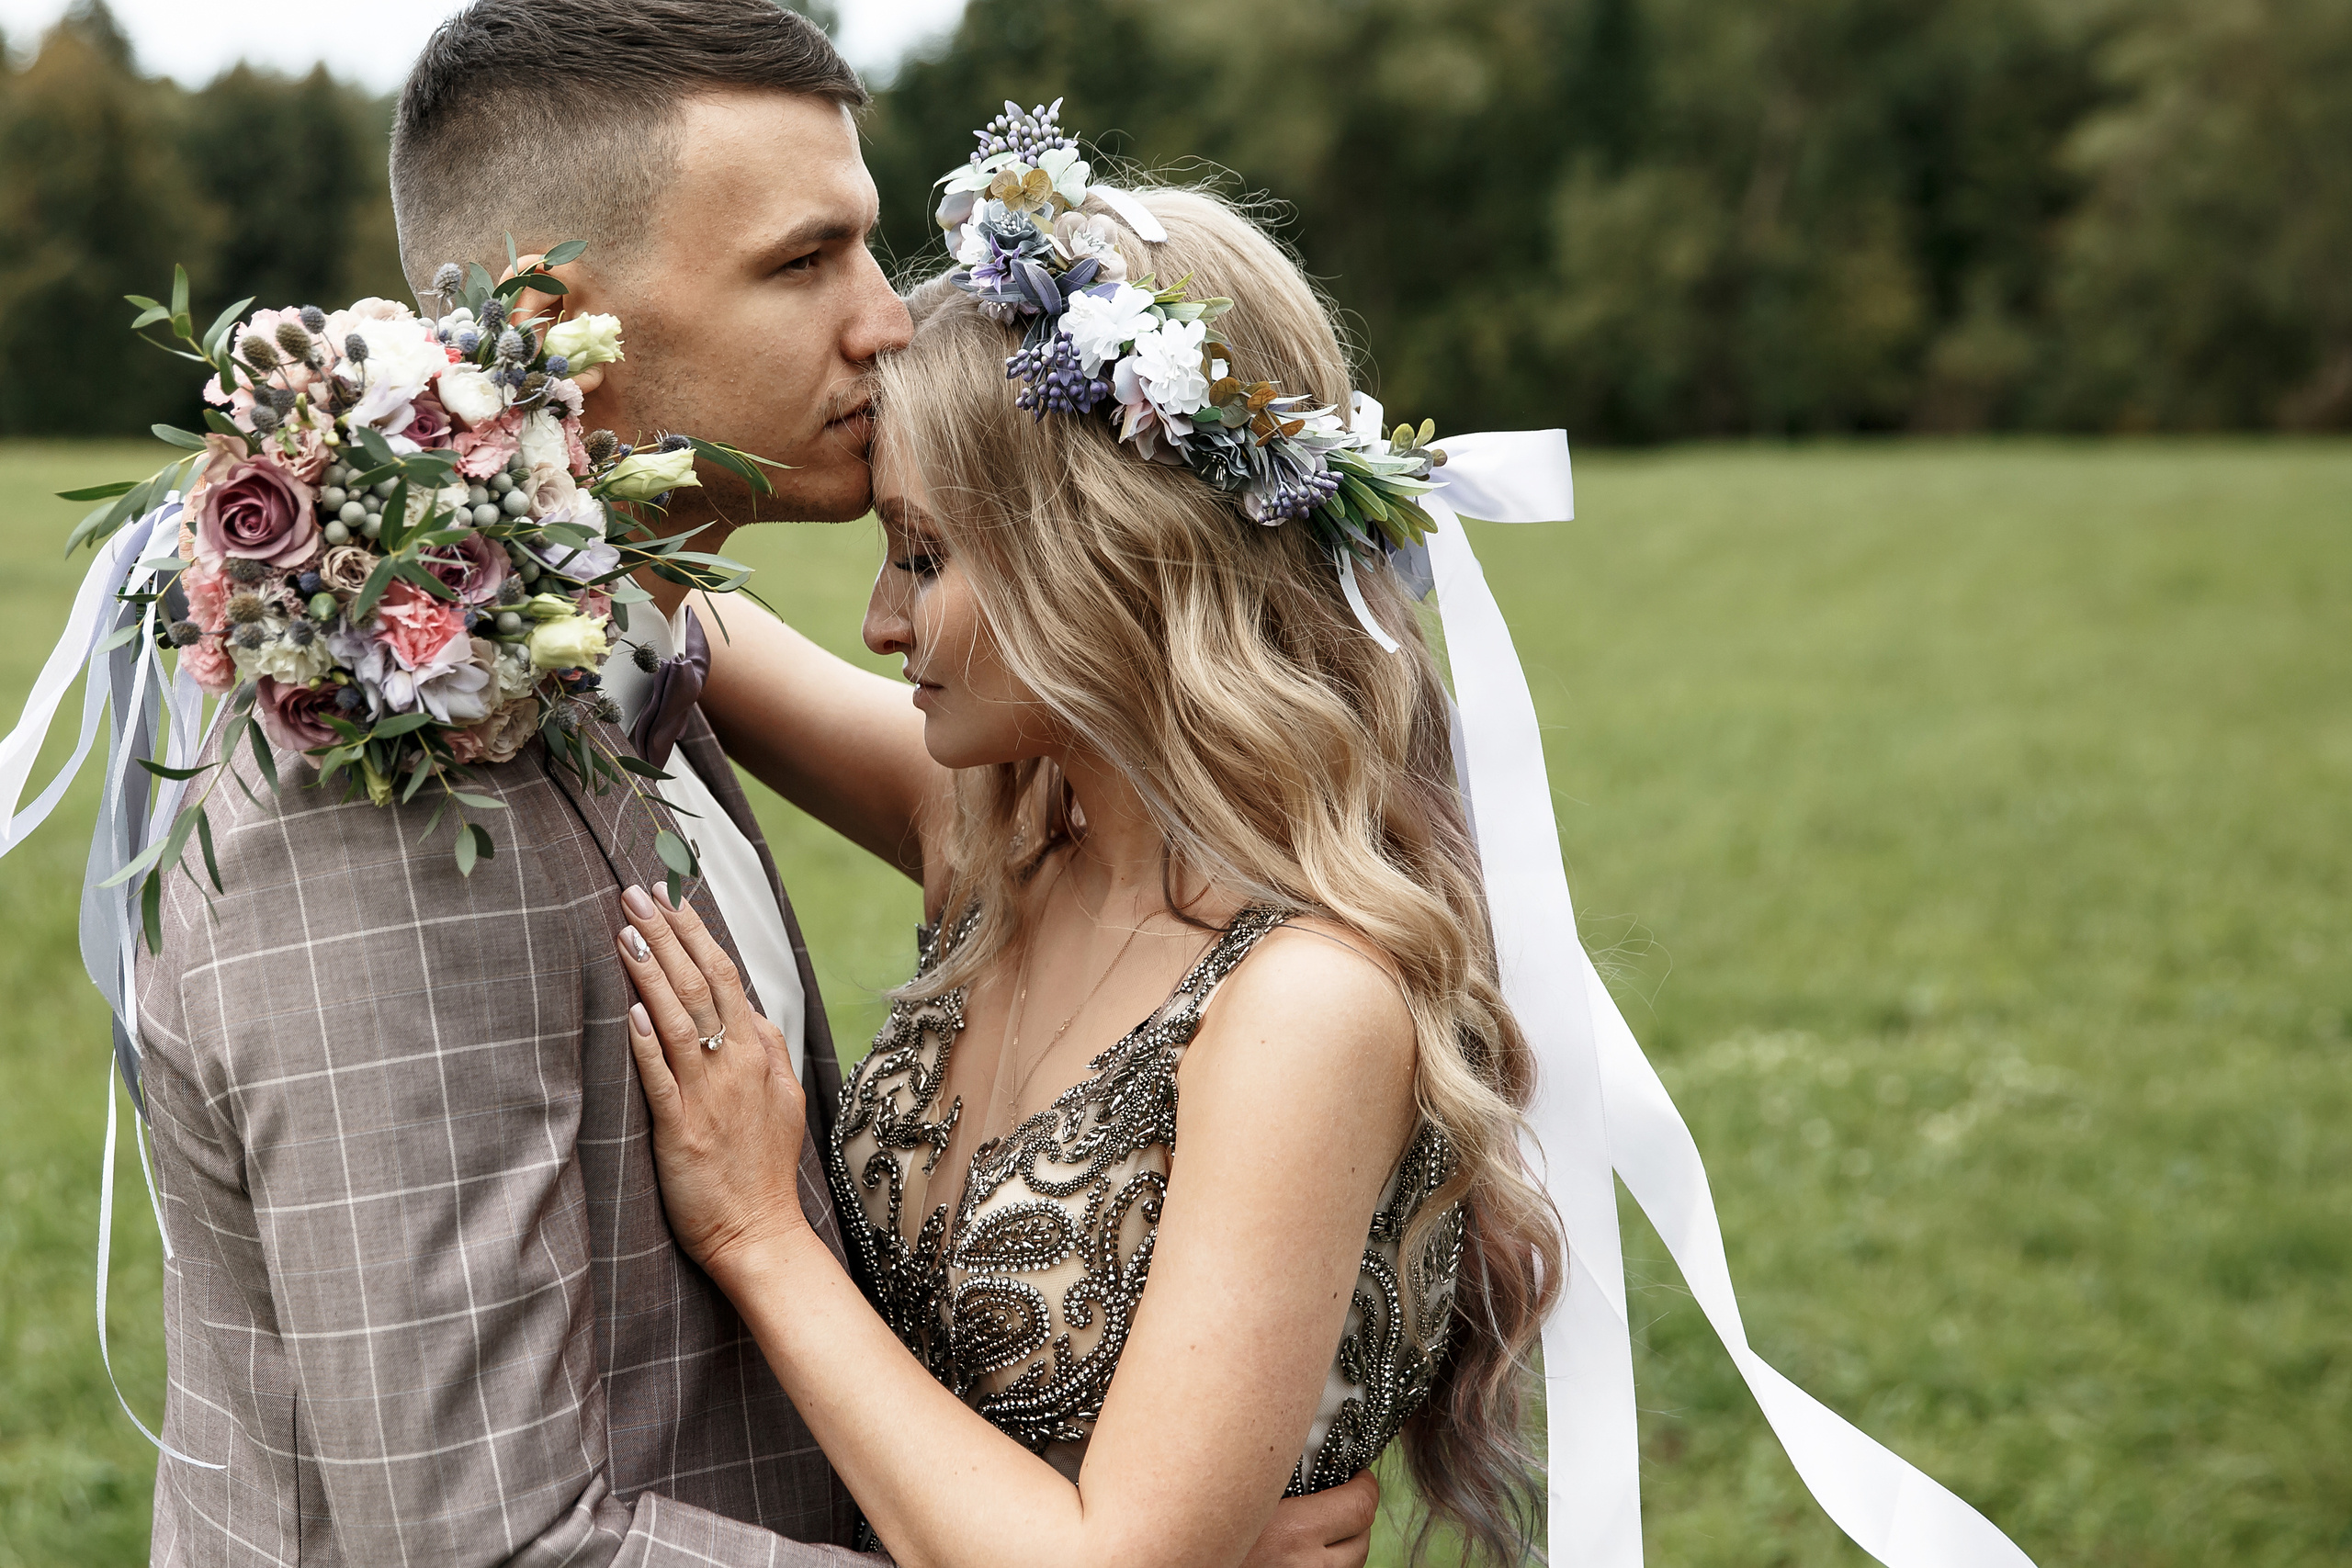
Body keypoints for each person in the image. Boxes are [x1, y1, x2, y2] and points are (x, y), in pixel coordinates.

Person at [130, 4, 1375, 1564]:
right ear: (550, 318)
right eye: (803, 264)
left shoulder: (633, 659)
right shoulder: (391, 808)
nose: (889, 323)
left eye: (867, 248)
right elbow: (483, 1547)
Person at [608, 168, 1566, 1568]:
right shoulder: (998, 838)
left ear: (1107, 563)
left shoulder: (1302, 1004)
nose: (879, 620)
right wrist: (393, 435)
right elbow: (651, 592)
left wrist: (761, 1234)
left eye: (922, 556)